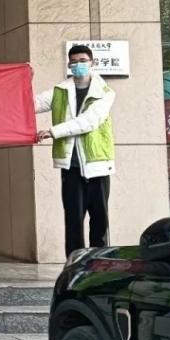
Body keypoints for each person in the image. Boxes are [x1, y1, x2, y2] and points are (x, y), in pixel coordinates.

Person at [34, 45, 116, 256]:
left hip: (97, 167)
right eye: (74, 61)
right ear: (69, 65)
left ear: (92, 63)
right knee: (73, 222)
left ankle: (99, 265)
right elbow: (31, 104)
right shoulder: (60, 91)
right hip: (71, 168)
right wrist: (25, 79)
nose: (78, 65)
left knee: (100, 221)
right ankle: (75, 265)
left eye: (83, 60)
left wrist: (53, 131)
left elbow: (89, 121)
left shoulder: (105, 93)